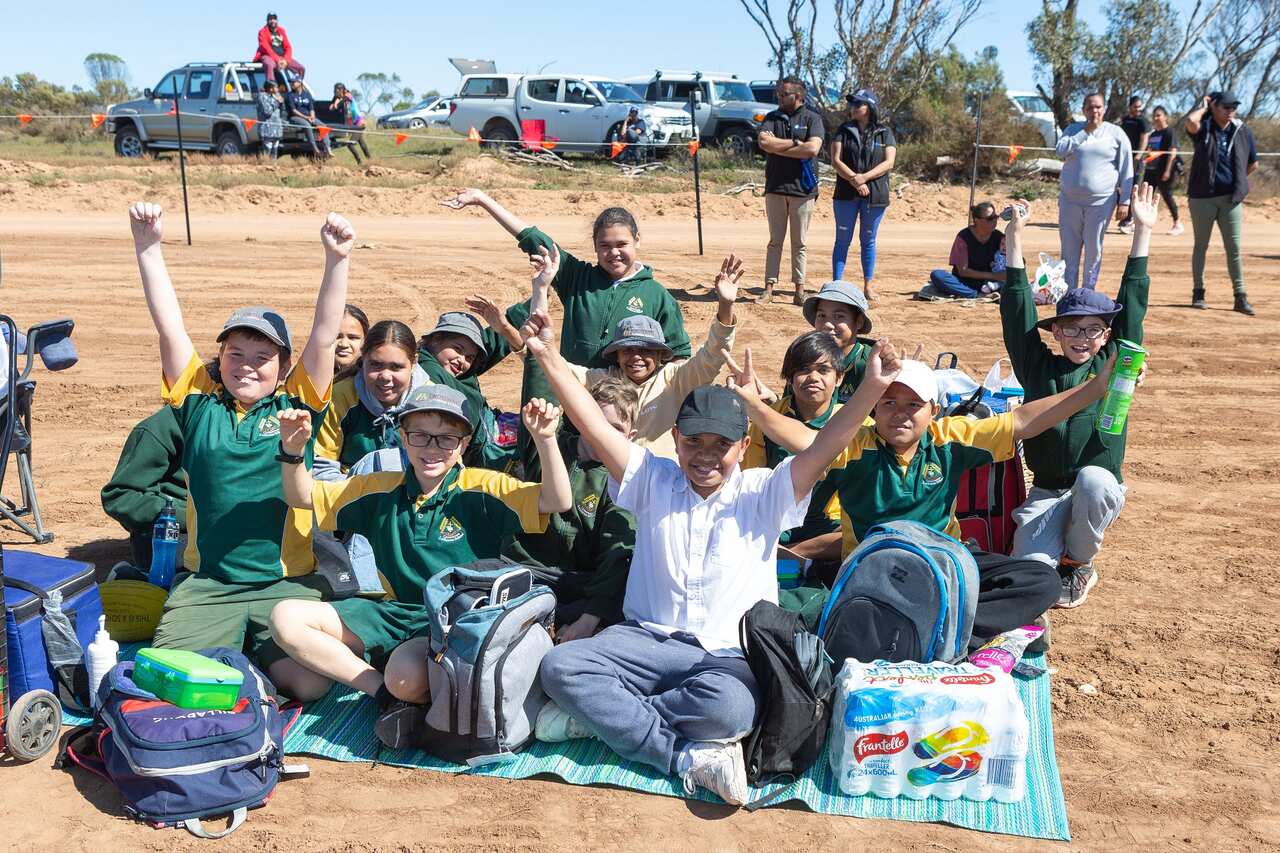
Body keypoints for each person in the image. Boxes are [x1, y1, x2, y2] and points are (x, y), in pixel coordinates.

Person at [519, 300, 903, 806]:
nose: (704, 456)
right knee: (561, 669)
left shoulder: (764, 492)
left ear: (743, 446)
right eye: (692, 441)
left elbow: (824, 447)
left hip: (723, 656)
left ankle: (603, 719)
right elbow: (591, 423)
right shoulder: (651, 480)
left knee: (730, 712)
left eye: (719, 444)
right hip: (642, 641)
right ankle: (682, 757)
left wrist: (872, 388)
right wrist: (547, 353)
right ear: (674, 440)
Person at [127, 201, 353, 677]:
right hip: (209, 582)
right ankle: (232, 652)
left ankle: (244, 657)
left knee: (310, 684)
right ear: (221, 357)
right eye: (236, 352)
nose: (248, 363)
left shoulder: (297, 401)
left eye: (262, 355)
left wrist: (337, 260)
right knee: (172, 677)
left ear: (284, 365)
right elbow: (168, 325)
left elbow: (326, 336)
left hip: (283, 583)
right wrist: (148, 247)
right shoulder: (197, 401)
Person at [267, 386, 571, 712]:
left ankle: (400, 684)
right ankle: (380, 691)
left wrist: (546, 440)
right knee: (285, 618)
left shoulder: (484, 488)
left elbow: (557, 501)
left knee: (405, 678)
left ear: (464, 444)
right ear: (402, 436)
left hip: (452, 621)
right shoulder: (379, 488)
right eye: (420, 435)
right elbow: (303, 497)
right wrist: (293, 451)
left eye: (446, 438)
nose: (432, 448)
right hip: (392, 611)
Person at [1002, 188, 1154, 608]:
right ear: (1056, 331)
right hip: (1047, 491)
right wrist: (1014, 236)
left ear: (1107, 334)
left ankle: (1078, 561)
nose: (1081, 337)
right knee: (1029, 572)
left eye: (1093, 329)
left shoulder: (1115, 366)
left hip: (1098, 487)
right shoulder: (1038, 367)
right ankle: (1054, 555)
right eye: (1071, 327)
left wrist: (1142, 231)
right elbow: (1017, 313)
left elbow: (1134, 307)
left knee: (1092, 480)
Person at [527, 247, 741, 458]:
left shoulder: (675, 380)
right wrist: (541, 288)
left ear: (659, 355)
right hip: (612, 481)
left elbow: (712, 355)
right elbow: (555, 366)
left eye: (645, 350)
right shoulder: (604, 380)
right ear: (617, 355)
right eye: (628, 350)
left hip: (664, 482)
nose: (636, 356)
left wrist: (726, 304)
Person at [441, 189, 690, 367]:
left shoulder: (657, 295)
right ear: (594, 246)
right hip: (574, 395)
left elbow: (679, 354)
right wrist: (482, 200)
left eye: (622, 244)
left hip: (627, 403)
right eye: (605, 245)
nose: (613, 253)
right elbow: (534, 239)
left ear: (637, 240)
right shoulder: (577, 279)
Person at [501, 378, 638, 642]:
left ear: (631, 437)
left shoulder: (622, 482)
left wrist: (590, 617)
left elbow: (618, 553)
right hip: (523, 569)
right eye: (596, 425)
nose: (603, 437)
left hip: (577, 583)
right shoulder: (550, 443)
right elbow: (539, 389)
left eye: (616, 429)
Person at [741, 331, 847, 574]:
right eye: (802, 370)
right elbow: (753, 482)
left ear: (839, 377)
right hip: (774, 523)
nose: (812, 377)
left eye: (823, 370)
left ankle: (794, 556)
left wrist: (796, 551)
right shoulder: (768, 419)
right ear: (789, 377)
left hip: (829, 530)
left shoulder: (855, 424)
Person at [314, 320, 429, 478]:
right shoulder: (340, 397)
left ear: (414, 363)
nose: (385, 376)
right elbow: (321, 468)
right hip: (351, 495)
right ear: (363, 357)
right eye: (376, 365)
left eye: (396, 367)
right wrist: (367, 496)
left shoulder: (430, 401)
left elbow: (445, 464)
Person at [1184, 91, 1258, 315]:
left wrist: (1238, 182)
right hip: (1201, 198)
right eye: (1225, 107)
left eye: (1233, 107)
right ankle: (1199, 293)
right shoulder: (1204, 128)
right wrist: (1204, 106)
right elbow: (1190, 122)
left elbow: (1253, 164)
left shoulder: (1242, 131)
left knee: (1233, 249)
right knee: (1201, 247)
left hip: (1231, 199)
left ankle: (1240, 296)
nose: (1230, 111)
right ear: (1214, 107)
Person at [756, 76, 826, 305]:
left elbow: (813, 148)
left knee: (800, 243)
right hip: (776, 186)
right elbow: (764, 143)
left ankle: (799, 290)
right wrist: (797, 145)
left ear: (798, 96)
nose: (779, 97)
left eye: (784, 94)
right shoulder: (772, 117)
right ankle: (768, 289)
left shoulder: (812, 118)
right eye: (779, 93)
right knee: (775, 241)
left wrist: (782, 146)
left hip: (803, 190)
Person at [1055, 93, 1134, 289]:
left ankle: (1088, 292)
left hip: (1101, 203)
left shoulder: (1116, 133)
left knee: (1093, 250)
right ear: (1083, 110)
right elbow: (1060, 151)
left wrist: (1125, 201)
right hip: (1070, 201)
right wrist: (1084, 133)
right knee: (1069, 252)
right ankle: (1069, 294)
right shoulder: (1073, 130)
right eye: (1090, 107)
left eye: (1098, 107)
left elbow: (1127, 169)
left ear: (1104, 109)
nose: (1094, 111)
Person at [829, 89, 897, 301]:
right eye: (852, 104)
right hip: (846, 194)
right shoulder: (843, 130)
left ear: (870, 108)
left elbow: (889, 162)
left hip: (875, 195)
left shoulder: (884, 132)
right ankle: (837, 285)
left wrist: (864, 178)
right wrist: (854, 180)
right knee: (842, 240)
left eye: (859, 104)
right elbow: (836, 160)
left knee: (868, 241)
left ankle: (868, 286)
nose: (854, 107)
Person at [100, 406, 187, 569]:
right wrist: (189, 517)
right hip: (172, 536)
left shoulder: (246, 420)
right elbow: (121, 497)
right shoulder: (166, 424)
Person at [801, 280, 874, 403]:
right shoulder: (804, 357)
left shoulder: (870, 364)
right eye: (821, 316)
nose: (828, 324)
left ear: (859, 321)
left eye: (839, 316)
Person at [928, 202, 1006, 298]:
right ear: (977, 220)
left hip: (989, 284)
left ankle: (977, 293)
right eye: (990, 218)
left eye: (996, 217)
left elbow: (1013, 257)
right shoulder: (964, 237)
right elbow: (963, 271)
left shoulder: (999, 237)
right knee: (937, 275)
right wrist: (994, 276)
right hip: (964, 282)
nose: (994, 221)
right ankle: (976, 294)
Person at [1144, 106, 1183, 236]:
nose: (1156, 118)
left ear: (1165, 116)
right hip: (1150, 170)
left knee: (1167, 195)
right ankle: (1143, 223)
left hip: (1164, 170)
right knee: (1146, 196)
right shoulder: (1153, 134)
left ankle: (1177, 223)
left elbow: (1173, 152)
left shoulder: (1170, 132)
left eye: (1158, 115)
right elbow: (1150, 152)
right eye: (1154, 115)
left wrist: (1167, 170)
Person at [1118, 96, 1150, 234]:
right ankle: (1124, 217)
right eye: (1135, 106)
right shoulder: (1125, 120)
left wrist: (1138, 155)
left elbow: (1145, 138)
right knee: (1121, 187)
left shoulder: (1143, 121)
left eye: (1139, 106)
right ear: (1130, 106)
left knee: (1134, 188)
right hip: (1124, 158)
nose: (1138, 109)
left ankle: (1131, 219)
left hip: (1137, 160)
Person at [254, 12, 305, 85]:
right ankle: (271, 86)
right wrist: (278, 60)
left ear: (277, 20)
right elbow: (265, 47)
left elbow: (288, 47)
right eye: (270, 19)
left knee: (301, 68)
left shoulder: (281, 31)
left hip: (283, 57)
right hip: (268, 56)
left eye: (274, 19)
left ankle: (297, 87)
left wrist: (286, 60)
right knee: (270, 65)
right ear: (267, 21)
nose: (272, 21)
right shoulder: (262, 32)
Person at [286, 76, 330, 159]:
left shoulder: (307, 94)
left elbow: (311, 108)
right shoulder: (290, 95)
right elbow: (293, 111)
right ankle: (314, 148)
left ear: (299, 83)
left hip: (308, 116)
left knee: (323, 126)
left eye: (293, 82)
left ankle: (328, 148)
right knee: (307, 126)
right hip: (295, 117)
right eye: (290, 82)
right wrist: (306, 117)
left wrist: (312, 116)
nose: (291, 84)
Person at [330, 83, 371, 160]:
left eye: (336, 91)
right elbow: (331, 108)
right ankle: (370, 160)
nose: (335, 93)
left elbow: (340, 102)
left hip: (359, 124)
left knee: (350, 144)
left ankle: (360, 162)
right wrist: (335, 102)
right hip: (354, 126)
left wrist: (336, 102)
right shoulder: (339, 98)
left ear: (341, 90)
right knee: (362, 143)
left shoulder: (348, 95)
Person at [334, 304, 368, 375]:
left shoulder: (371, 381)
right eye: (337, 337)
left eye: (352, 338)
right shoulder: (312, 376)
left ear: (366, 341)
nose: (344, 344)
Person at [256, 79, 285, 160]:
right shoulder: (262, 96)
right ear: (270, 88)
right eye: (276, 87)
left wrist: (282, 102)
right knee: (267, 152)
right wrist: (277, 102)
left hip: (276, 129)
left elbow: (282, 111)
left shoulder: (277, 95)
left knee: (274, 152)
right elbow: (267, 111)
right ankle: (264, 167)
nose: (277, 89)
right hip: (267, 129)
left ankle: (273, 168)